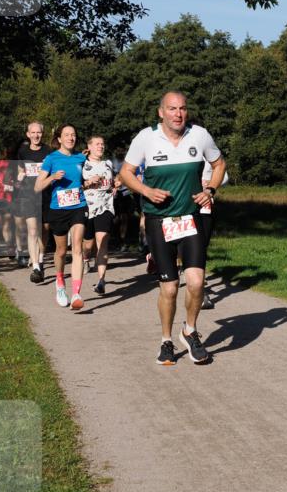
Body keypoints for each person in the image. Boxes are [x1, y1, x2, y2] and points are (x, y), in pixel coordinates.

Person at [120, 91, 226, 366]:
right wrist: (146, 190)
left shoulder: (200, 135)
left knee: (196, 282)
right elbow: (125, 173)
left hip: (190, 219)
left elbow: (219, 164)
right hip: (159, 220)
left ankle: (189, 331)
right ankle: (166, 340)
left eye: (182, 109)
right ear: (161, 112)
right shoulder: (146, 138)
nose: (178, 114)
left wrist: (211, 190)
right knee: (169, 289)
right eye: (172, 109)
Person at [34, 124, 88, 310]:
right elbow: (37, 186)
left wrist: (89, 182)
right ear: (59, 138)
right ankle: (59, 283)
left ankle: (76, 294)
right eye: (67, 135)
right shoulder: (51, 159)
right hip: (58, 209)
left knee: (78, 247)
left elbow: (84, 179)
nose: (71, 138)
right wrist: (53, 178)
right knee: (61, 251)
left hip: (78, 206)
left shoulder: (81, 157)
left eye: (73, 134)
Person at [81, 136, 118, 296]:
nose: (101, 147)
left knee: (102, 242)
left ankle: (101, 281)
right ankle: (85, 259)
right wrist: (88, 182)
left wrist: (116, 184)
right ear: (89, 146)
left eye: (102, 144)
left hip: (105, 207)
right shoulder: (82, 164)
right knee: (88, 245)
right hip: (87, 207)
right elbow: (75, 186)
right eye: (97, 144)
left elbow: (114, 180)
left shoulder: (108, 164)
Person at [15, 122, 51, 282]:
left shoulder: (48, 152)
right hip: (28, 195)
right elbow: (20, 170)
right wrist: (20, 176)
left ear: (42, 134)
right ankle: (35, 266)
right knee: (32, 230)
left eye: (39, 133)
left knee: (45, 229)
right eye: (33, 132)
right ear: (28, 134)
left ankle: (41, 257)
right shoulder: (22, 151)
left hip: (46, 195)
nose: (36, 135)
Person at [198, 158, 229, 309]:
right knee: (182, 247)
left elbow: (225, 176)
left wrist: (210, 185)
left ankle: (201, 293)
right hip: (183, 207)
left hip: (205, 208)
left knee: (201, 248)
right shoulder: (180, 153)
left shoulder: (209, 156)